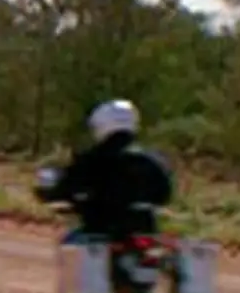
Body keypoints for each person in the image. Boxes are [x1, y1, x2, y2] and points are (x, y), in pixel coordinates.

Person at [36, 99, 175, 245]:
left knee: (70, 243)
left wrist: (54, 192)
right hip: (145, 232)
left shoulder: (92, 159)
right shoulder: (154, 160)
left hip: (101, 231)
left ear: (101, 125)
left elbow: (66, 187)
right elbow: (165, 195)